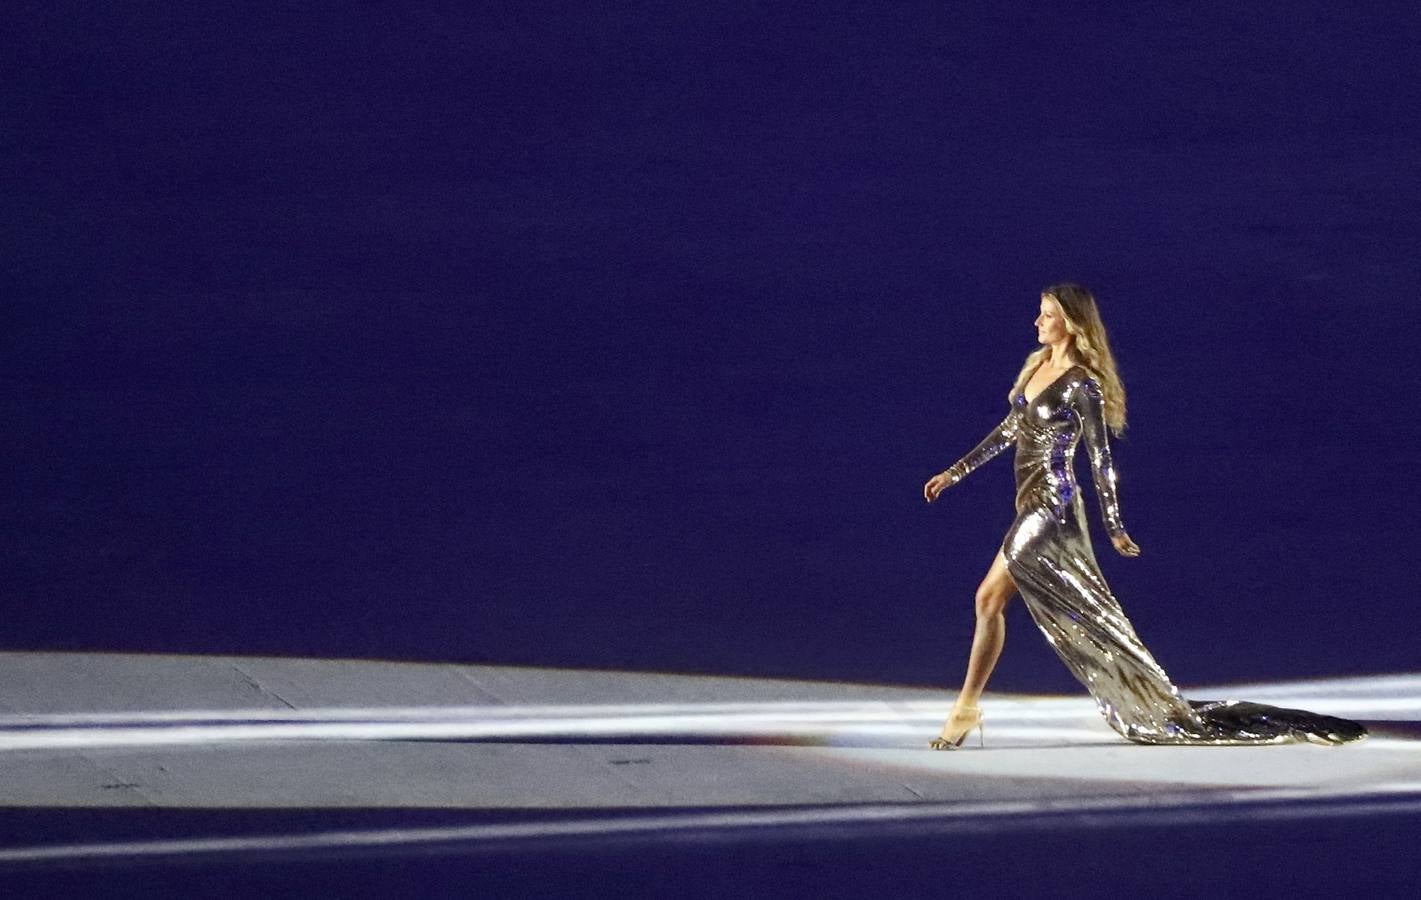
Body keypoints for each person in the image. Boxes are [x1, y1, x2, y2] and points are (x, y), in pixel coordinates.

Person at [921, 283, 1367, 749]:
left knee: (988, 597)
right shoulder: (1037, 368)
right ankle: (972, 708)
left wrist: (1113, 526)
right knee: (994, 603)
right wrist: (953, 473)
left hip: (1052, 507)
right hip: (1029, 503)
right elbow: (1010, 430)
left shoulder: (1081, 383)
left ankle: (965, 710)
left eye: (1047, 315)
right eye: (1039, 313)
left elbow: (1099, 458)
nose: (1037, 322)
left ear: (1071, 323)